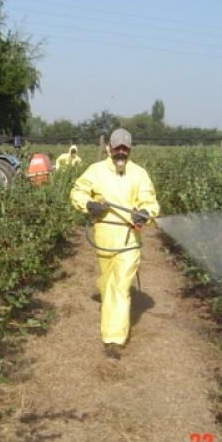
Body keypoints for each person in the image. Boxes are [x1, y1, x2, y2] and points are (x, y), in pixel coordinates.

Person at [70, 128, 159, 356]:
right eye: (117, 147)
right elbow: (78, 192)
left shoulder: (140, 174)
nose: (121, 152)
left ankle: (113, 340)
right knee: (108, 281)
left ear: (130, 150)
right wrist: (89, 204)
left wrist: (145, 213)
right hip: (104, 237)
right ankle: (108, 303)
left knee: (120, 286)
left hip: (129, 239)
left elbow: (150, 202)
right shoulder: (95, 171)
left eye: (125, 148)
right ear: (109, 148)